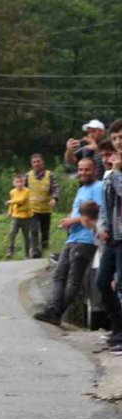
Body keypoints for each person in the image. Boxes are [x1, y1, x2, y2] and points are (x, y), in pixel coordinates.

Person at [34, 158, 103, 326]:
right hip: (72, 238)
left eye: (87, 169)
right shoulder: (81, 189)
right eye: (80, 169)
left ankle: (56, 312)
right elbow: (77, 211)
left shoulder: (98, 187)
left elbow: (96, 211)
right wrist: (68, 219)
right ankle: (53, 309)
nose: (82, 173)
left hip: (86, 240)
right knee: (59, 274)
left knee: (73, 279)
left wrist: (72, 221)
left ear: (94, 170)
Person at [98, 119, 122, 352]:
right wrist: (102, 225)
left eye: (121, 138)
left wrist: (116, 173)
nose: (118, 143)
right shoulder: (111, 170)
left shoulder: (116, 170)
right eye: (114, 138)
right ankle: (117, 328)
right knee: (102, 282)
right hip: (113, 236)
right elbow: (106, 203)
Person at [25, 154, 60, 254]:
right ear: (31, 164)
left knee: (45, 231)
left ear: (42, 162)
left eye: (38, 161)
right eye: (34, 162)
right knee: (34, 230)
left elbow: (55, 188)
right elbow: (22, 190)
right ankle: (35, 251)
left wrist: (54, 198)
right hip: (32, 209)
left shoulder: (50, 175)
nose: (36, 164)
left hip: (46, 209)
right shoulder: (28, 176)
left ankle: (45, 249)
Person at [6, 173, 34, 259]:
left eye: (21, 181)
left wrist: (10, 202)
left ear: (24, 182)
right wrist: (10, 211)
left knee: (26, 236)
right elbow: (12, 204)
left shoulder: (27, 191)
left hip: (26, 217)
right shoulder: (12, 192)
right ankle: (10, 251)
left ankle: (27, 254)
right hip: (16, 216)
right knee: (12, 233)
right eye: (17, 182)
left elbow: (21, 200)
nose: (19, 184)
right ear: (14, 183)